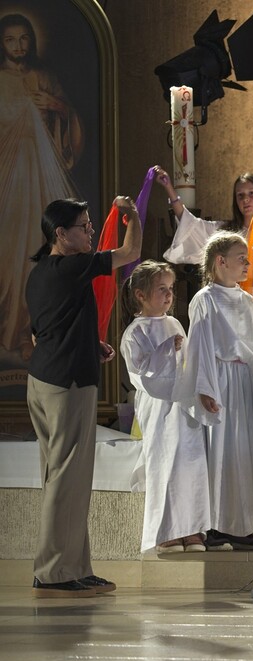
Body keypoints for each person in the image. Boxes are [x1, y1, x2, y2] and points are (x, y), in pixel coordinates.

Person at [25, 195, 141, 597]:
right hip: (68, 384)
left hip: (45, 380)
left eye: (91, 225)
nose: (91, 231)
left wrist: (91, 343)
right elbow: (131, 252)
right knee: (66, 480)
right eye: (84, 226)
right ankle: (53, 573)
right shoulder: (73, 265)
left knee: (64, 479)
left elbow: (43, 333)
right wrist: (132, 215)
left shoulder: (39, 273)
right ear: (61, 233)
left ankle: (74, 567)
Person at [178, 231, 253, 551]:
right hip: (220, 381)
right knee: (222, 454)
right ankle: (218, 525)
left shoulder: (246, 300)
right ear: (220, 261)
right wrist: (205, 388)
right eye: (241, 258)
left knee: (243, 454)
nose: (247, 264)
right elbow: (200, 345)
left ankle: (242, 524)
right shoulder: (205, 299)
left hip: (245, 381)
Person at [0, 13, 81, 357]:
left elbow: (69, 123)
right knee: (10, 255)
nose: (18, 46)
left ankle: (31, 333)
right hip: (8, 182)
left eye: (23, 38)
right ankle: (10, 329)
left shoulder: (45, 77)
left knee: (38, 249)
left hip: (42, 177)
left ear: (31, 41)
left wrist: (56, 105)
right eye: (10, 39)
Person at [120, 261, 211, 554]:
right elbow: (139, 374)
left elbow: (188, 362)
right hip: (158, 405)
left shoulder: (174, 323)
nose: (169, 295)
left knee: (190, 462)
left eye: (171, 288)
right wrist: (164, 351)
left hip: (184, 403)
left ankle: (192, 529)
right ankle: (167, 532)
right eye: (162, 289)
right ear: (141, 295)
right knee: (165, 464)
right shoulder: (135, 332)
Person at [156, 167, 253, 302]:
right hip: (230, 297)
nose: (245, 199)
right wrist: (169, 189)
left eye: (251, 193)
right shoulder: (226, 232)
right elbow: (191, 226)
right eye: (240, 195)